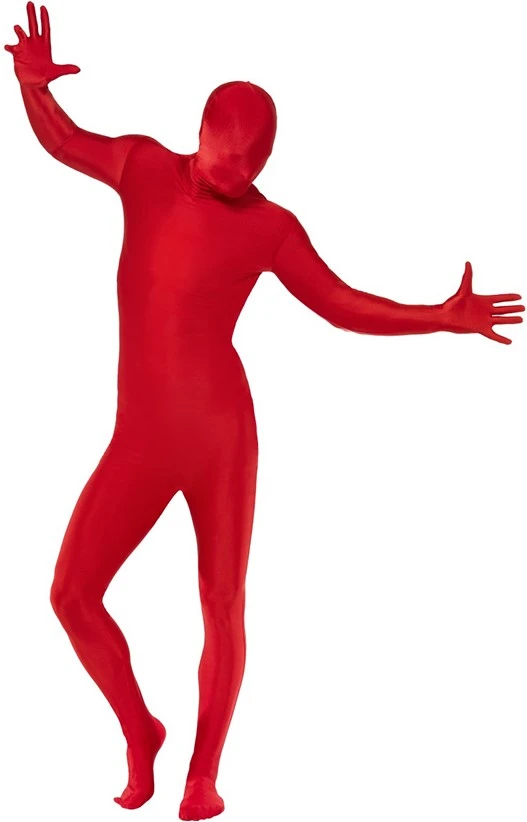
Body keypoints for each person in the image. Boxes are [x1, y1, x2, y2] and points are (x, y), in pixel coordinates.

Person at [5, 3, 524, 820]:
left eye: (253, 162)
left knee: (221, 604)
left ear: (269, 159)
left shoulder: (270, 227)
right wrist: (31, 85)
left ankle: (203, 774)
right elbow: (65, 142)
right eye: (227, 154)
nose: (238, 171)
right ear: (200, 131)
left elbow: (340, 303)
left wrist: (437, 315)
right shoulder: (141, 165)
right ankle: (141, 730)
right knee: (70, 594)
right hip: (140, 438)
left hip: (221, 437)